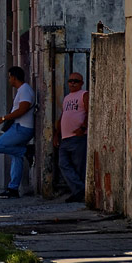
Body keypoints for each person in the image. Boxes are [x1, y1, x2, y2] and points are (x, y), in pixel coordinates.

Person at [0, 66, 36, 199]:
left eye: (9, 77)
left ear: (14, 77)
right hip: (20, 126)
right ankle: (13, 188)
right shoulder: (22, 90)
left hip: (22, 127)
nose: (9, 80)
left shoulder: (25, 90)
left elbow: (23, 109)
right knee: (16, 157)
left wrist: (4, 118)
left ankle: (27, 151)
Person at [55, 73, 89, 203]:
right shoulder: (67, 98)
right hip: (65, 137)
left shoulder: (83, 94)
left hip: (78, 137)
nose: (72, 83)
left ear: (81, 83)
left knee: (78, 166)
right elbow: (63, 116)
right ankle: (79, 190)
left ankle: (79, 193)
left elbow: (89, 112)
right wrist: (57, 134)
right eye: (70, 81)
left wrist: (83, 128)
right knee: (63, 164)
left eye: (76, 81)